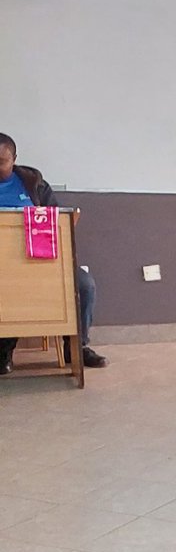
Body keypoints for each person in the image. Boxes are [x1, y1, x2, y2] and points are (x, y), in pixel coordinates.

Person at [0, 134, 106, 374]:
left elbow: (58, 222)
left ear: (14, 160)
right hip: (1, 266)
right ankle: (3, 350)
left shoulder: (34, 184)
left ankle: (76, 347)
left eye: (1, 162)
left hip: (41, 259)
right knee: (9, 286)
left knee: (84, 284)